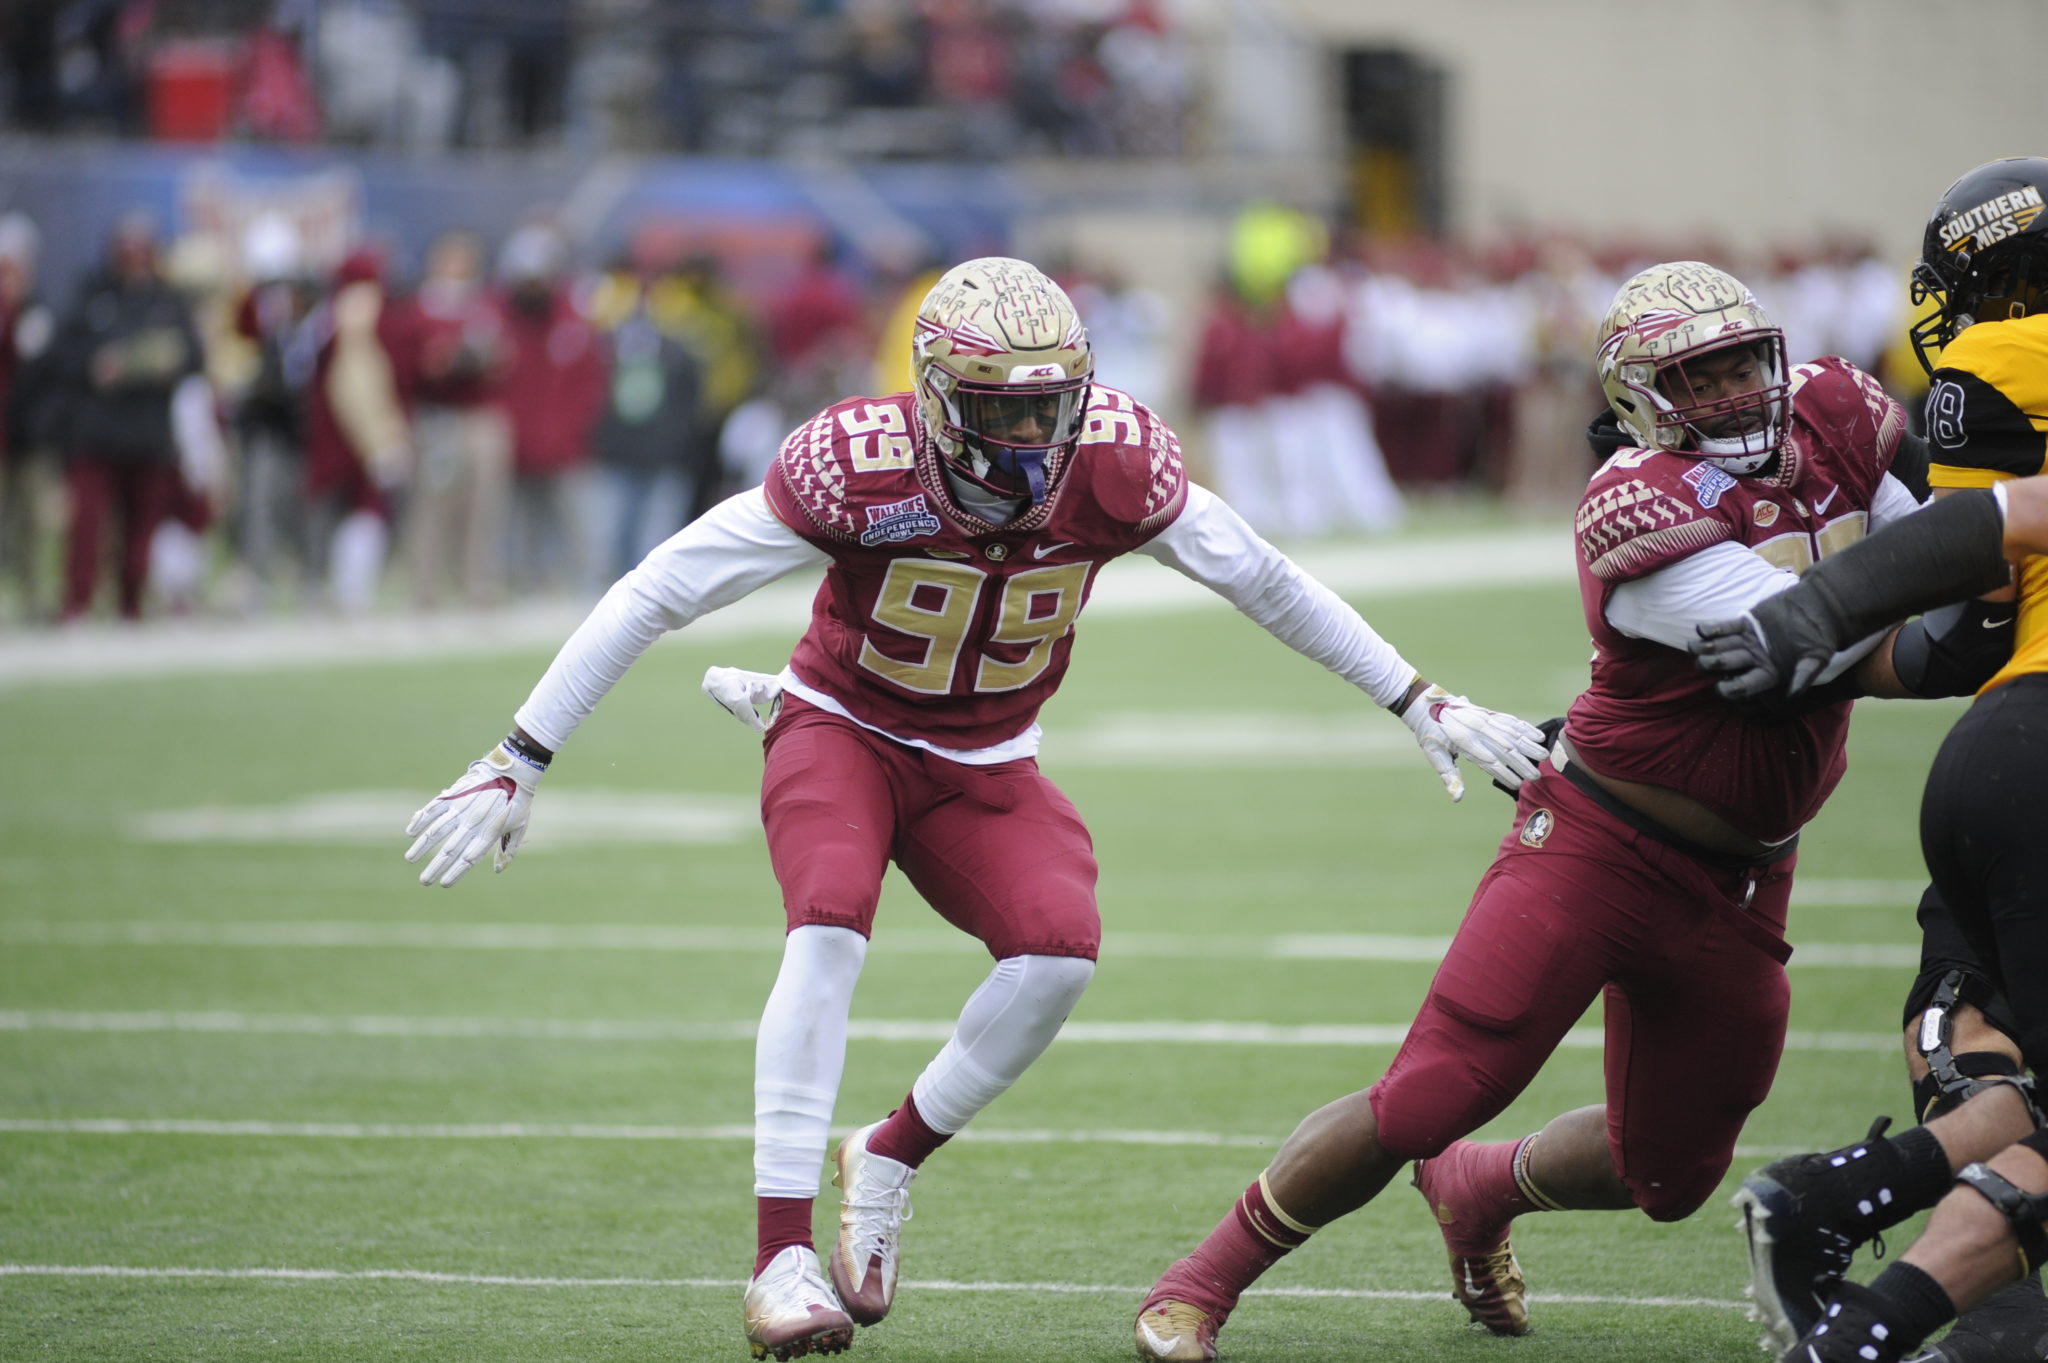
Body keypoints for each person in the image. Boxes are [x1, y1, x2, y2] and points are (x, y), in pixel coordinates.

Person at [397, 256, 1547, 1362]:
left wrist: (1413, 696)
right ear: (937, 399)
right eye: (1000, 411)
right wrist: (520, 751)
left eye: (1050, 407)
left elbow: (1259, 577)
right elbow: (658, 588)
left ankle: (889, 1155)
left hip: (989, 757)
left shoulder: (1113, 462)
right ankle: (779, 1261)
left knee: (1057, 953)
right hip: (841, 728)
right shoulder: (857, 465)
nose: (1030, 437)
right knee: (829, 925)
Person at [1133, 260, 1949, 1362]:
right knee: (1429, 1094)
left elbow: (1940, 554)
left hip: (1748, 873)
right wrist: (1981, 587)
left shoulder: (1838, 406)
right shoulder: (1634, 502)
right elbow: (1851, 637)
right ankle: (1196, 1285)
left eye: (1737, 365)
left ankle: (1477, 1187)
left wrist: (1969, 568)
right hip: (1598, 843)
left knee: (1665, 1176)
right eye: (1691, 380)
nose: (1727, 396)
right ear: (1636, 401)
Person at [1693, 157, 2048, 1363]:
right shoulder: (2004, 364)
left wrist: (1813, 642)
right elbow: (1998, 533)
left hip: (2000, 746)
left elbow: (1966, 629)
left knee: (1984, 1048)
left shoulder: (1989, 359)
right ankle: (1867, 1323)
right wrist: (1810, 620)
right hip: (2035, 742)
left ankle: (1848, 1213)